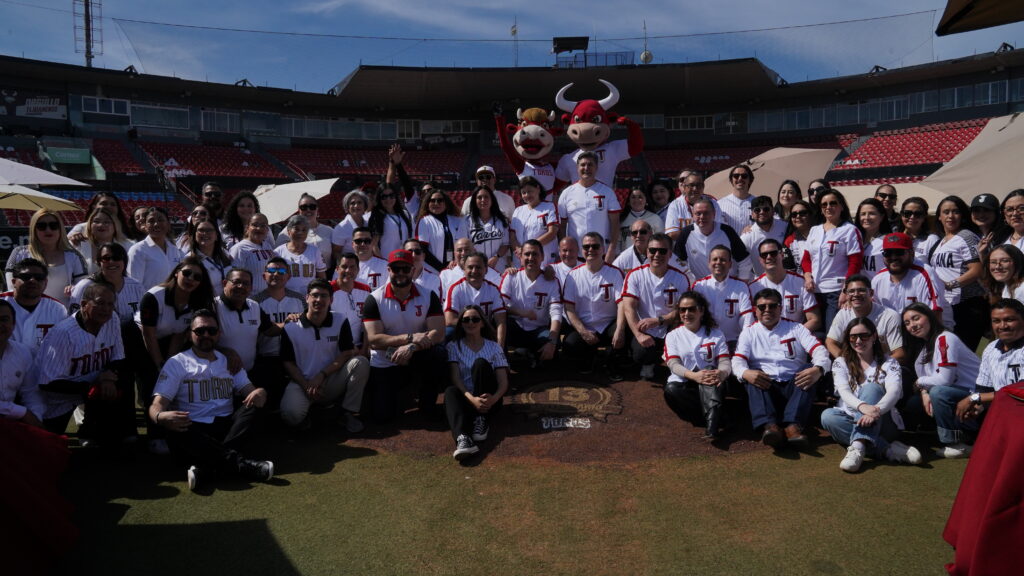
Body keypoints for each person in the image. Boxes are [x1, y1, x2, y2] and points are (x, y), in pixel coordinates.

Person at [149, 309, 273, 492]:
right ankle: (242, 465)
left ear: (219, 334)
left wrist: (260, 392)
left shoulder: (229, 361)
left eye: (211, 330)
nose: (206, 335)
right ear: (189, 334)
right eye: (200, 331)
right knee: (175, 426)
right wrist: (160, 417)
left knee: (255, 407)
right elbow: (156, 405)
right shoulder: (177, 363)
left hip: (226, 427)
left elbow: (251, 391)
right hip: (194, 428)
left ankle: (207, 469)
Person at [36, 282, 135, 442]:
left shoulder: (112, 319)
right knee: (46, 443)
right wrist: (91, 386)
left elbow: (118, 357)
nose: (106, 309)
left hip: (91, 387)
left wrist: (108, 378)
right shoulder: (64, 333)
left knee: (123, 380)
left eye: (110, 304)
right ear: (83, 304)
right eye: (100, 303)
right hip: (56, 398)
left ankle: (97, 432)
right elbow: (47, 384)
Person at [733, 288, 831, 449]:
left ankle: (793, 427)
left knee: (808, 369)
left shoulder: (797, 328)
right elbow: (737, 361)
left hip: (794, 387)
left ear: (780, 308)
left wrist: (818, 369)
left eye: (772, 306)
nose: (767, 310)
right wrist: (745, 372)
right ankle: (770, 428)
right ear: (755, 310)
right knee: (751, 375)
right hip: (766, 388)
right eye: (762, 307)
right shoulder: (748, 332)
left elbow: (820, 351)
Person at [136, 257, 215, 455]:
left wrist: (168, 364)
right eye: (187, 273)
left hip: (167, 339)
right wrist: (159, 365)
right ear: (177, 273)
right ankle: (155, 436)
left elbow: (179, 334)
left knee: (169, 378)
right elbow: (148, 335)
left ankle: (172, 430)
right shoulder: (154, 296)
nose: (191, 279)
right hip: (139, 339)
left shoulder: (195, 301)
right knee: (152, 383)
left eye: (197, 277)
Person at [821, 317, 921, 473]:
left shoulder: (890, 362)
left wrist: (875, 411)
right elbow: (843, 392)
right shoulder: (840, 362)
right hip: (853, 418)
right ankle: (887, 450)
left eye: (864, 336)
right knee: (827, 416)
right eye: (853, 337)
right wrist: (863, 407)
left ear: (874, 336)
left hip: (883, 422)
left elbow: (894, 392)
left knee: (872, 388)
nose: (858, 341)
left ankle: (857, 447)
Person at [932, 299, 1024, 458]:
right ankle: (969, 442)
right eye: (996, 321)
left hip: (1019, 411)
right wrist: (977, 407)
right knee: (960, 410)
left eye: (1009, 320)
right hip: (1000, 410)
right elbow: (983, 389)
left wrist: (974, 398)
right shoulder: (991, 348)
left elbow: (1019, 393)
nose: (1002, 326)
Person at [362, 249, 446, 423]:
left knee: (439, 354)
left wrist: (411, 347)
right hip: (386, 358)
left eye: (405, 269)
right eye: (396, 269)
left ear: (413, 270)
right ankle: (402, 393)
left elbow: (438, 333)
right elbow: (374, 340)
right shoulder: (374, 299)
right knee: (383, 417)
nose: (400, 273)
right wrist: (410, 338)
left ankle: (427, 403)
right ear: (388, 270)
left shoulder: (428, 295)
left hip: (417, 353)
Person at [279, 280, 368, 432]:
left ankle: (347, 413)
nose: (319, 300)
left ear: (331, 300)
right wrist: (306, 385)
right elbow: (288, 362)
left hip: (331, 379)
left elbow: (346, 352)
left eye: (324, 296)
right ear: (307, 298)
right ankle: (313, 413)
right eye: (315, 295)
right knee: (291, 416)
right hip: (303, 382)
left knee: (361, 362)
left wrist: (322, 375)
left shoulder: (340, 320)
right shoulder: (291, 327)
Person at [901, 303, 980, 458]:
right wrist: (924, 392)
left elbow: (945, 379)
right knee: (915, 404)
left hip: (976, 394)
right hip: (955, 392)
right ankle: (944, 431)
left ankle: (955, 442)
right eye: (907, 323)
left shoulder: (945, 338)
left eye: (916, 318)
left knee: (938, 393)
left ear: (929, 317)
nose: (912, 325)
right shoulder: (924, 348)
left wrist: (920, 382)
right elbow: (927, 382)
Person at [622, 233, 691, 380]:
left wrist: (659, 320)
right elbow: (629, 308)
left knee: (685, 348)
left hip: (670, 326)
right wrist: (639, 335)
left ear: (670, 254)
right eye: (653, 250)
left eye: (662, 251)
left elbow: (682, 311)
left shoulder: (681, 278)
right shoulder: (635, 275)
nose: (657, 255)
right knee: (641, 354)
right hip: (644, 328)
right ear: (647, 252)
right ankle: (649, 362)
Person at [445, 304, 510, 460]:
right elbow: (455, 378)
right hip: (468, 398)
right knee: (450, 392)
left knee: (480, 363)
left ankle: (482, 419)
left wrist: (494, 399)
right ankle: (463, 439)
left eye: (475, 319)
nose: (470, 323)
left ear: (482, 323)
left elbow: (503, 381)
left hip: (490, 400)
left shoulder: (494, 347)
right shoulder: (453, 346)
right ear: (461, 324)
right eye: (466, 319)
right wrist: (472, 399)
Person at [663, 291, 731, 439]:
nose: (686, 314)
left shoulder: (716, 333)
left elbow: (725, 361)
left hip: (711, 382)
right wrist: (694, 376)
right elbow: (673, 364)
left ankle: (712, 426)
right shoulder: (672, 335)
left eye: (691, 309)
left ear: (701, 311)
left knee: (709, 370)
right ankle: (718, 416)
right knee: (671, 390)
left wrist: (722, 373)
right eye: (682, 310)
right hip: (686, 379)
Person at [561, 232, 627, 374]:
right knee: (570, 344)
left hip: (608, 324)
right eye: (586, 247)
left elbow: (622, 304)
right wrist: (583, 332)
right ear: (582, 250)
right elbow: (569, 308)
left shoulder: (615, 272)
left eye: (595, 246)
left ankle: (612, 360)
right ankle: (589, 356)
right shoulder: (573, 275)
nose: (590, 250)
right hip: (585, 325)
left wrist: (620, 330)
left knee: (625, 333)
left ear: (603, 249)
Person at [801, 188, 863, 334]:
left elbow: (855, 262)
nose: (828, 207)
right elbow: (806, 258)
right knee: (813, 333)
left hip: (836, 291)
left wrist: (846, 290)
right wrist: (807, 275)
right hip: (813, 291)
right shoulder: (814, 230)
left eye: (833, 203)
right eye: (824, 204)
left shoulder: (850, 230)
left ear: (841, 206)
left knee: (833, 333)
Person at [930, 195, 986, 350]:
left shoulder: (966, 236)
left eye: (955, 211)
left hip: (967, 306)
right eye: (946, 212)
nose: (950, 216)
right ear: (939, 216)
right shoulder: (941, 241)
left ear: (962, 215)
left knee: (962, 354)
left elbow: (977, 269)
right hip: (947, 305)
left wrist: (949, 285)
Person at [252, 257, 306, 407]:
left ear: (288, 276)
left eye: (281, 271)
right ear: (264, 275)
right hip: (267, 358)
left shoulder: (299, 299)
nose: (276, 274)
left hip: (297, 358)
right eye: (271, 270)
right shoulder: (254, 302)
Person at [4, 209, 87, 306]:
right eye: (42, 226)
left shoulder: (74, 256)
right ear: (34, 229)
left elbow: (82, 290)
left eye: (53, 225)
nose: (48, 230)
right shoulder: (18, 253)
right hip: (26, 312)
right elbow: (11, 290)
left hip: (63, 313)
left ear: (60, 228)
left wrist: (74, 288)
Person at [499, 240, 562, 364]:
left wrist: (552, 341)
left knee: (553, 349)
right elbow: (500, 306)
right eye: (527, 254)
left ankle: (528, 352)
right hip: (515, 327)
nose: (531, 258)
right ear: (520, 257)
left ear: (542, 257)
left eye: (535, 254)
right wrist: (521, 313)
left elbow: (556, 312)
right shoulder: (511, 276)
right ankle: (502, 361)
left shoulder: (552, 281)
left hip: (538, 330)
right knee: (498, 322)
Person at [213, 268, 284, 378]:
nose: (241, 286)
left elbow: (270, 330)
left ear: (251, 288)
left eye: (246, 283)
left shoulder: (254, 306)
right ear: (224, 283)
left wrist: (291, 322)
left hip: (248, 375)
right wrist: (224, 351)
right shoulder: (213, 307)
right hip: (219, 377)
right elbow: (199, 341)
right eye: (236, 282)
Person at [871, 232, 951, 329]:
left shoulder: (924, 274)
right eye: (888, 253)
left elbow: (935, 315)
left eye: (899, 252)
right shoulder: (878, 279)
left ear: (912, 253)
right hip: (898, 332)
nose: (893, 257)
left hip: (932, 330)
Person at [557, 152, 621, 264]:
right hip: (575, 256)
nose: (586, 168)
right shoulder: (566, 193)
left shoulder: (607, 192)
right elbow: (561, 227)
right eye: (583, 165)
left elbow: (615, 224)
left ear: (596, 168)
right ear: (577, 168)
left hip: (602, 255)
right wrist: (563, 250)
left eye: (590, 164)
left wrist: (611, 250)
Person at [749, 239, 820, 334]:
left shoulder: (800, 282)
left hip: (796, 336)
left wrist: (792, 335)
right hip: (766, 337)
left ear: (782, 255)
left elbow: (814, 320)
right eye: (764, 255)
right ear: (760, 259)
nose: (769, 257)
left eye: (773, 253)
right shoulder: (753, 288)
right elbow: (751, 322)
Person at [825, 275, 905, 360]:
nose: (856, 294)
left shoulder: (890, 316)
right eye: (851, 291)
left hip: (882, 365)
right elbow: (830, 342)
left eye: (861, 290)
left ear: (871, 293)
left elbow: (899, 354)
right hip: (853, 364)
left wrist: (874, 366)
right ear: (846, 295)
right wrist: (845, 361)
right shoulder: (843, 314)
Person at [672, 198, 750, 282]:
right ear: (693, 215)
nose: (702, 217)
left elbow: (744, 260)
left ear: (714, 214)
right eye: (698, 213)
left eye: (706, 213)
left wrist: (742, 282)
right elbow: (677, 261)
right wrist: (689, 281)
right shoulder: (686, 233)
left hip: (727, 284)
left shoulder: (727, 231)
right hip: (699, 286)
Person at [0, 258, 68, 352]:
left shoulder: (58, 309)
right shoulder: (2, 301)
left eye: (39, 277)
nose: (32, 280)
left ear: (45, 283)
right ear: (14, 282)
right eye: (26, 277)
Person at [691, 245, 753, 350]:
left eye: (723, 260)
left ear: (730, 264)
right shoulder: (699, 286)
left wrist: (745, 342)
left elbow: (747, 318)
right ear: (709, 263)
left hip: (734, 341)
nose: (718, 262)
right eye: (715, 259)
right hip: (706, 340)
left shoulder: (741, 286)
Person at [444, 253, 507, 347]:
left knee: (501, 332)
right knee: (448, 332)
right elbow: (449, 320)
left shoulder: (493, 289)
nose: (474, 271)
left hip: (485, 330)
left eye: (478, 267)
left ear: (486, 270)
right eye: (470, 267)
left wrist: (499, 347)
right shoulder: (455, 288)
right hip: (463, 329)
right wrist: (474, 324)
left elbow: (501, 321)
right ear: (464, 270)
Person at [0, 299, 44, 426]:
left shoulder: (22, 352)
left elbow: (31, 392)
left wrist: (36, 418)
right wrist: (23, 413)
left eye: (4, 320)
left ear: (13, 324)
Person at [127, 207, 184, 290]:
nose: (156, 224)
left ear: (168, 224)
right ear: (145, 225)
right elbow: (134, 285)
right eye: (151, 221)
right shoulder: (138, 250)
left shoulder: (175, 250)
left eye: (160, 220)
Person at [330, 252, 372, 360]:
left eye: (352, 267)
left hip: (359, 347)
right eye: (344, 267)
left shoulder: (366, 290)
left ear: (358, 270)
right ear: (337, 269)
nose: (348, 270)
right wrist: (350, 347)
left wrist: (364, 349)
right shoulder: (328, 290)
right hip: (333, 348)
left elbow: (368, 322)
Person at [510, 176, 559, 266]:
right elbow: (512, 236)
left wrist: (529, 249)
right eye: (523, 193)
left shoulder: (549, 207)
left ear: (538, 189)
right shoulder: (518, 211)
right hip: (520, 261)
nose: (527, 195)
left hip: (545, 261)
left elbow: (552, 233)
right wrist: (518, 249)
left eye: (530, 191)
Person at [276, 194, 334, 270]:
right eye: (304, 207)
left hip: (326, 273)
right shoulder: (288, 231)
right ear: (299, 210)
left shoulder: (329, 231)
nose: (308, 210)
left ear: (317, 209)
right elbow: (278, 255)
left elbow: (336, 253)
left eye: (312, 207)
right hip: (299, 273)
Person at [274, 214, 326, 294]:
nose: (300, 233)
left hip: (309, 297)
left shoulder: (315, 251)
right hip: (286, 296)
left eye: (304, 230)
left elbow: (321, 276)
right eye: (296, 229)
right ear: (288, 231)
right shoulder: (278, 252)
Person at [415, 188, 465, 270]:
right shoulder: (424, 221)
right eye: (432, 200)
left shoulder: (456, 220)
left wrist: (453, 261)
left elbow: (456, 246)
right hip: (431, 270)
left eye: (440, 200)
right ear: (427, 203)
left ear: (446, 203)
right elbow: (423, 250)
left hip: (452, 268)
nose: (436, 203)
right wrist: (441, 268)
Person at [72, 208, 133, 274]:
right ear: (90, 225)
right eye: (96, 221)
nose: (101, 225)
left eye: (107, 222)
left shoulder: (129, 246)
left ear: (115, 225)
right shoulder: (79, 244)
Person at [665, 171, 722, 240]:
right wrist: (701, 233)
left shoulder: (713, 203)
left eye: (698, 185)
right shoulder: (675, 205)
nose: (695, 189)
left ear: (703, 187)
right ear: (684, 187)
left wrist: (687, 233)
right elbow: (672, 234)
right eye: (691, 185)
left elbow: (719, 229)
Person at [465, 185, 511, 269]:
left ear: (492, 199)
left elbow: (506, 244)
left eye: (486, 197)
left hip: (498, 265)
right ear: (475, 200)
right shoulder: (466, 221)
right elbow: (464, 244)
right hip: (475, 266)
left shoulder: (502, 220)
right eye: (479, 197)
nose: (483, 200)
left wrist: (496, 257)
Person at [741, 196, 787, 279]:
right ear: (752, 214)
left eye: (766, 209)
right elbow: (742, 265)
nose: (762, 212)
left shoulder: (785, 227)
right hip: (762, 283)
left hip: (788, 279)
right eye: (757, 210)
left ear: (773, 211)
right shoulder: (746, 237)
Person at [229, 213, 276, 295]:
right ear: (247, 227)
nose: (259, 228)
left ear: (267, 229)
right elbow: (234, 278)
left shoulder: (268, 246)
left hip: (268, 296)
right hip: (249, 297)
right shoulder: (239, 249)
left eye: (263, 226)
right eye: (255, 225)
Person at [186, 219, 236, 289]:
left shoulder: (225, 254)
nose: (204, 233)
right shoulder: (189, 259)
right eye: (201, 230)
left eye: (209, 230)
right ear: (195, 235)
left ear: (216, 236)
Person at [367, 184, 414, 258]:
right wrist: (383, 262)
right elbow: (374, 245)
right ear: (379, 199)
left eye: (391, 195)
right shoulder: (377, 216)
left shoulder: (405, 214)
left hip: (404, 260)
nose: (388, 199)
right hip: (387, 261)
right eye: (384, 197)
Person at [855, 197, 892, 279]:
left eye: (872, 213)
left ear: (881, 217)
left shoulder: (888, 241)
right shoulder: (854, 239)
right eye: (863, 214)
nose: (866, 217)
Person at [332, 189, 371, 265]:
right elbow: (336, 252)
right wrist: (346, 266)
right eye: (352, 203)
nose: (356, 206)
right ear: (347, 207)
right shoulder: (341, 227)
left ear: (365, 206)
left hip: (368, 264)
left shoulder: (369, 224)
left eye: (359, 202)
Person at [718, 164, 756, 235]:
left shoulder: (758, 203)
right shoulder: (720, 204)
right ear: (731, 180)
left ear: (750, 180)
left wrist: (755, 228)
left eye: (744, 176)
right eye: (736, 176)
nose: (740, 178)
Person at [899, 197, 939, 262]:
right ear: (901, 215)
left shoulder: (932, 240)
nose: (912, 217)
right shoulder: (894, 238)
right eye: (907, 213)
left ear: (924, 217)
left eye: (918, 214)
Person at [350, 226, 389, 291]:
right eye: (358, 241)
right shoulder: (344, 267)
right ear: (352, 244)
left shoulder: (385, 265)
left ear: (372, 243)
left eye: (367, 241)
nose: (363, 244)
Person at [782, 199, 814, 273]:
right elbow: (789, 270)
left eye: (802, 213)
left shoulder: (822, 234)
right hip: (801, 279)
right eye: (794, 214)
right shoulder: (789, 241)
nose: (798, 216)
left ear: (810, 215)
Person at [969, 192, 1004, 257]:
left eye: (986, 210)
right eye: (976, 210)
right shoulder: (969, 235)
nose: (981, 215)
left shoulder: (1006, 236)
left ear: (996, 213)